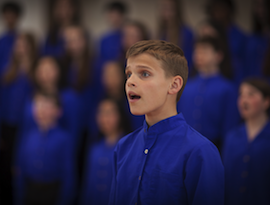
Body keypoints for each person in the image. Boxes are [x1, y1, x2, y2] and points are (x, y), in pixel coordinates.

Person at [108, 40, 224, 205]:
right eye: (129, 74)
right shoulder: (123, 147)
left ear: (174, 84)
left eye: (144, 74)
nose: (130, 81)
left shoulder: (200, 152)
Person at [13, 92, 76, 205]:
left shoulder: (64, 139)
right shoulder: (28, 135)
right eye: (38, 105)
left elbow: (68, 174)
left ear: (58, 111)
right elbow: (20, 168)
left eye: (46, 105)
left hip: (52, 192)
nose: (41, 109)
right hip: (30, 190)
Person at [177, 36, 239, 149]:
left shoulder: (227, 88)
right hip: (185, 146)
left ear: (218, 56)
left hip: (214, 146)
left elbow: (229, 127)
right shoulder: (186, 87)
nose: (199, 55)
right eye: (197, 51)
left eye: (204, 51)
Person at [0, 32, 35, 205]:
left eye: (24, 43)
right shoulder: (8, 70)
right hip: (8, 127)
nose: (20, 47)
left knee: (21, 167)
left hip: (27, 128)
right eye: (18, 43)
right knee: (6, 168)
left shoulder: (35, 71)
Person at [222, 78, 270, 205]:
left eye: (251, 94)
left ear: (266, 101)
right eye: (241, 95)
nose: (244, 100)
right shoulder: (232, 137)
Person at [80, 98, 131, 205]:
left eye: (109, 113)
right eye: (101, 113)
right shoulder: (94, 147)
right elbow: (88, 184)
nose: (104, 118)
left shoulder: (128, 147)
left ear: (120, 115)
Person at [158, 0, 194, 69]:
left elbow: (188, 62)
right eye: (163, 8)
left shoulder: (186, 33)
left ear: (176, 11)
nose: (165, 12)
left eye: (169, 8)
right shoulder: (161, 33)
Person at [0, 1, 22, 77]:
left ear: (17, 16)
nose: (9, 18)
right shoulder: (2, 40)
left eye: (12, 15)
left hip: (18, 78)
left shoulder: (22, 39)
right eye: (7, 15)